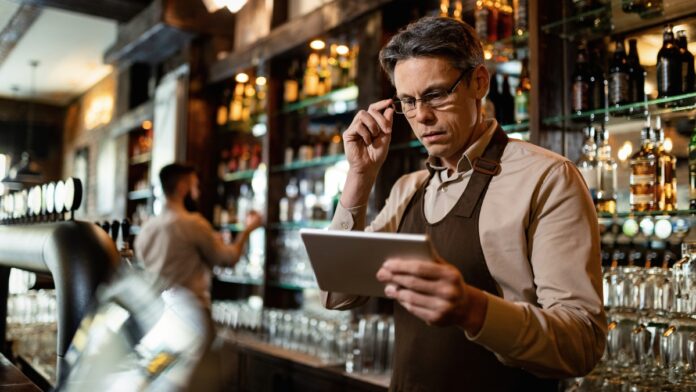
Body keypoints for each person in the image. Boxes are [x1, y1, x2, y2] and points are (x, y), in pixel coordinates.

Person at [322, 16, 606, 391]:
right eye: (408, 101)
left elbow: (581, 344)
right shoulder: (409, 188)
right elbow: (338, 293)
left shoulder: (547, 178)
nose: (421, 116)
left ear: (479, 83)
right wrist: (359, 177)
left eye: (436, 94)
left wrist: (473, 310)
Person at [135, 163, 263, 308]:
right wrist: (247, 230)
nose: (197, 193)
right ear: (182, 187)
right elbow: (228, 259)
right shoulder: (193, 223)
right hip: (191, 311)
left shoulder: (147, 229)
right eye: (195, 186)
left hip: (159, 310)